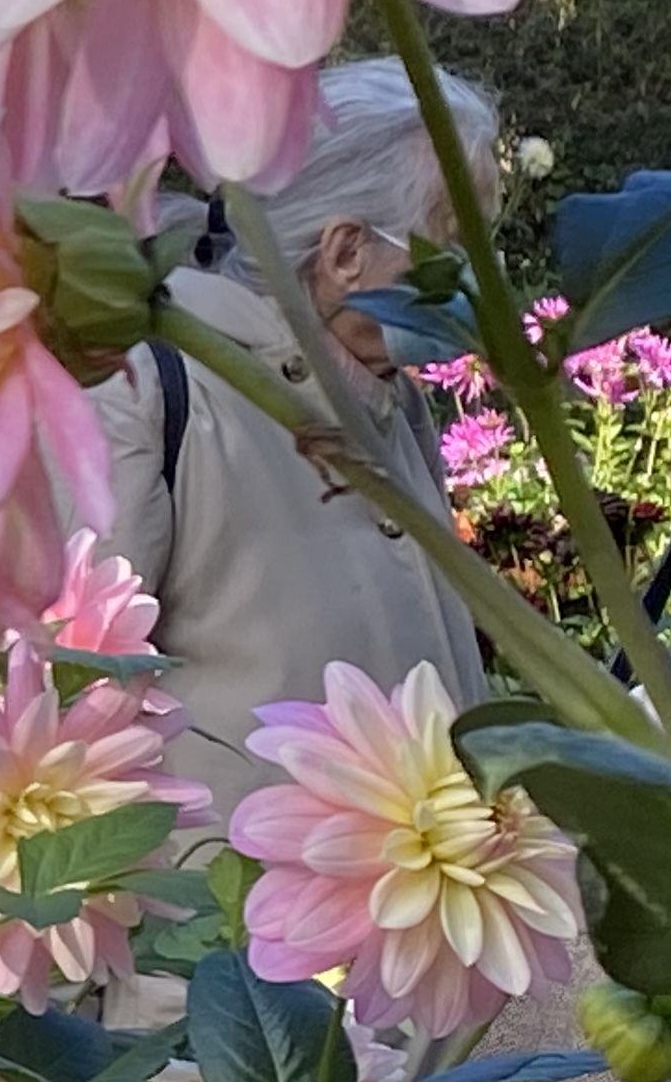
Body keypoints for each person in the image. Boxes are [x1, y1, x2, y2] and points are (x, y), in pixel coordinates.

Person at [84, 57, 496, 822]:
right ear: (346, 254)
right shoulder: (155, 395)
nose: (484, 278)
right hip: (234, 928)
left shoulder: (393, 404)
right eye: (455, 244)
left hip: (405, 914)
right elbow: (75, 697)